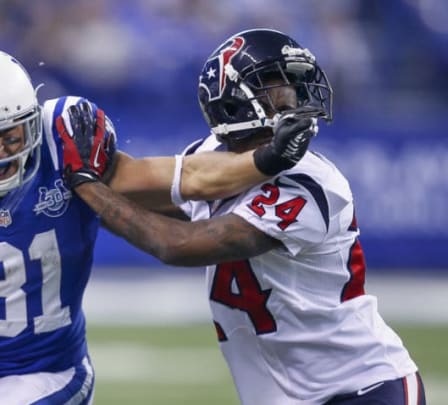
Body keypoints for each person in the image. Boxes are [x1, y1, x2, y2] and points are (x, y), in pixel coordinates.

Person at [0, 46, 318, 405]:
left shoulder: (64, 146)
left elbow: (186, 176)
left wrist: (266, 159)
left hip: (52, 372)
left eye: (10, 134)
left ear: (31, 119)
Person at [57, 29, 425, 405]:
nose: (292, 98)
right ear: (233, 102)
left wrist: (87, 187)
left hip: (362, 389)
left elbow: (178, 245)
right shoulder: (211, 155)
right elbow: (132, 190)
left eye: (292, 85)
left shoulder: (310, 183)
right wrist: (64, 159)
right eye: (275, 87)